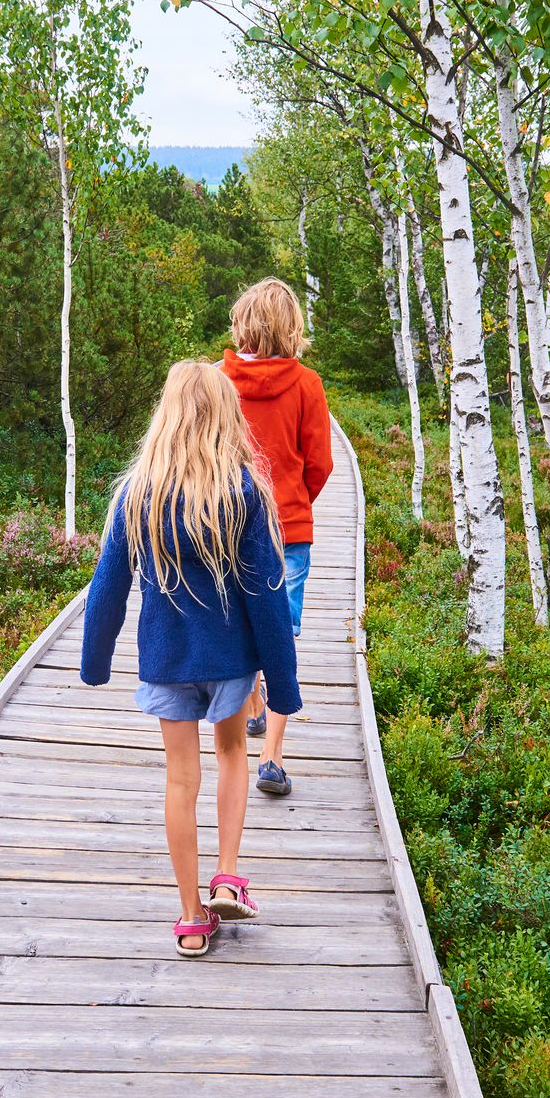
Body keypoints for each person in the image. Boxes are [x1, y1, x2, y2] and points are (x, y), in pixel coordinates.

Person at [80, 360, 303, 957]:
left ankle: (189, 917)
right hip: (230, 659)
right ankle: (227, 873)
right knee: (232, 753)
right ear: (225, 416)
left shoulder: (137, 494)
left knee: (180, 780)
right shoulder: (243, 492)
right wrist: (281, 683)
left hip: (165, 660)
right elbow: (266, 594)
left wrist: (94, 661)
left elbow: (108, 588)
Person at [219, 278, 332, 799]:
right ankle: (272, 759)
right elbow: (321, 464)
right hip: (287, 529)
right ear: (291, 327)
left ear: (243, 321)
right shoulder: (307, 384)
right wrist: (295, 501)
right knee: (280, 637)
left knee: (238, 624)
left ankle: (252, 708)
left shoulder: (217, 380)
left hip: (226, 529)